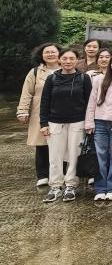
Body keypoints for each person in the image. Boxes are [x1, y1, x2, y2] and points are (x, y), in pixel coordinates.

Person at [39, 49, 92, 202]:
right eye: (65, 58)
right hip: (55, 122)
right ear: (59, 60)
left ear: (77, 60)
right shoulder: (52, 78)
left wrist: (89, 122)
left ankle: (71, 185)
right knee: (55, 156)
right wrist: (43, 123)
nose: (68, 61)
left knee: (75, 155)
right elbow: (45, 101)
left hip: (78, 122)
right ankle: (55, 186)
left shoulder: (84, 78)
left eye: (71, 58)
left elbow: (89, 102)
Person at [85, 52, 112, 201]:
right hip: (99, 122)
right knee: (100, 156)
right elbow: (92, 101)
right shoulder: (99, 79)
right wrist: (89, 122)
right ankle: (100, 187)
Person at [17, 42, 61, 187]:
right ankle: (43, 175)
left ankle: (60, 173)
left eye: (53, 51)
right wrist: (22, 110)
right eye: (47, 52)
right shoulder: (35, 72)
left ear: (59, 53)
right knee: (42, 143)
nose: (50, 54)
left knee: (61, 143)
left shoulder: (67, 69)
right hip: (40, 112)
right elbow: (27, 92)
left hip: (62, 111)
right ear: (41, 55)